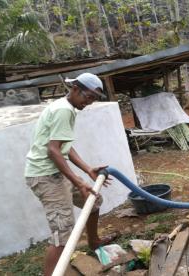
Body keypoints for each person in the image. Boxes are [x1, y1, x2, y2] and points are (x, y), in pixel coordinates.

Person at [24, 73, 118, 275]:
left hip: (55, 174)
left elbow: (63, 145)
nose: (89, 102)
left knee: (93, 201)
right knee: (63, 231)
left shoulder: (68, 108)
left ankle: (94, 242)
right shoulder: (63, 110)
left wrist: (87, 169)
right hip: (44, 177)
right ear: (75, 89)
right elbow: (53, 151)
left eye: (93, 99)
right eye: (88, 96)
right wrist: (77, 181)